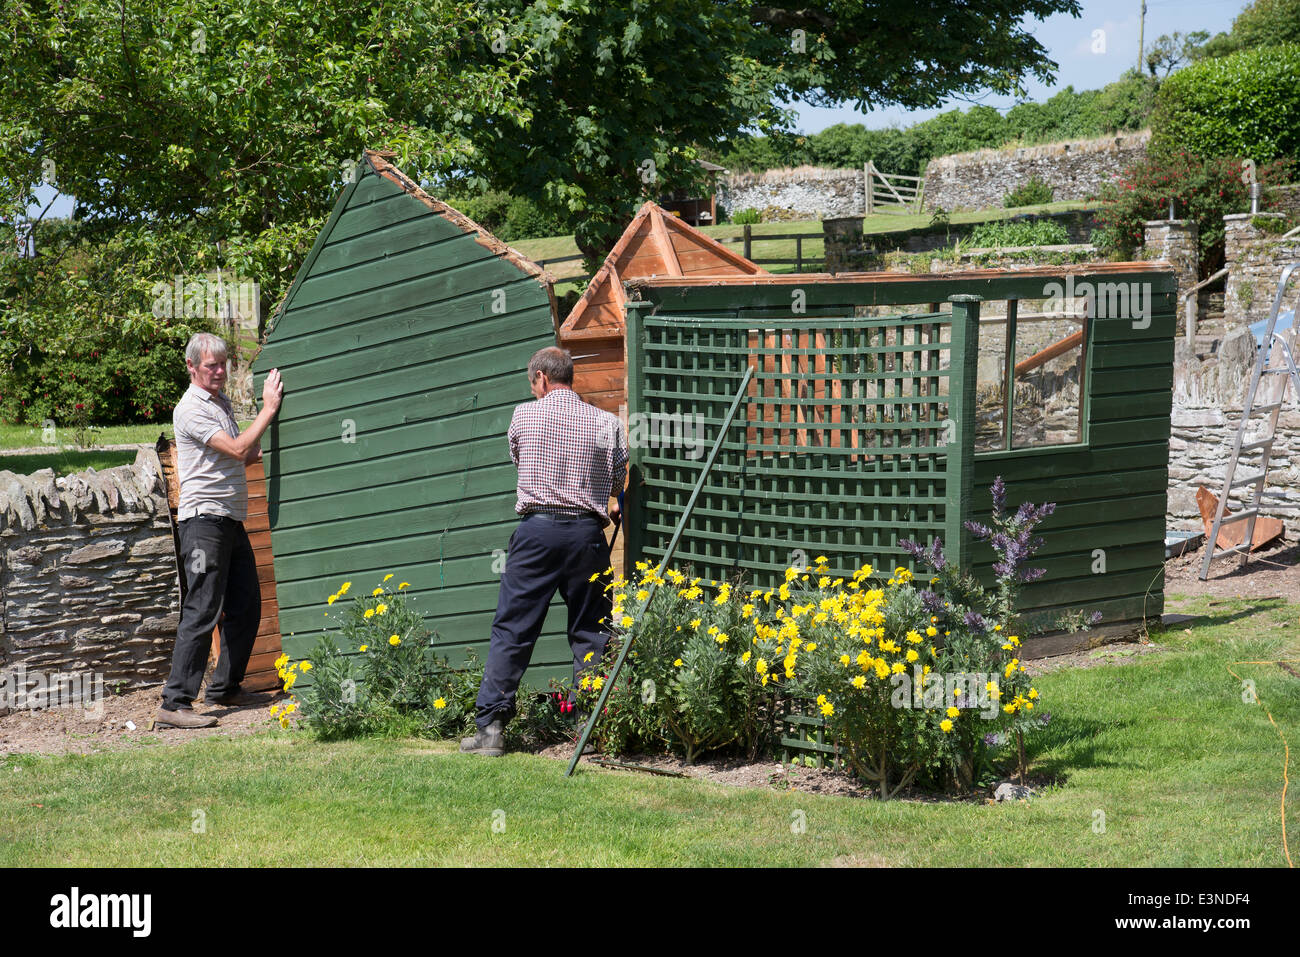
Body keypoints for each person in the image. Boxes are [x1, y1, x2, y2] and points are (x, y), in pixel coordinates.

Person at [461, 347, 628, 756]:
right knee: (592, 632)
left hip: (536, 533)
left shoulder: (524, 416)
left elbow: (520, 459)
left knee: (514, 628)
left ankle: (492, 731)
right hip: (586, 536)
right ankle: (586, 733)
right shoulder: (607, 423)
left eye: (532, 382)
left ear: (541, 378)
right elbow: (617, 478)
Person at [155, 332, 284, 729]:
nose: (220, 371)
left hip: (228, 518)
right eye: (211, 365)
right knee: (203, 607)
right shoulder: (190, 409)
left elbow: (244, 449)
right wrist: (268, 409)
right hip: (202, 523)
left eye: (223, 364)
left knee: (247, 603)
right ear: (192, 367)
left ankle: (226, 686)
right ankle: (174, 703)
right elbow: (240, 450)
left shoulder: (218, 403)